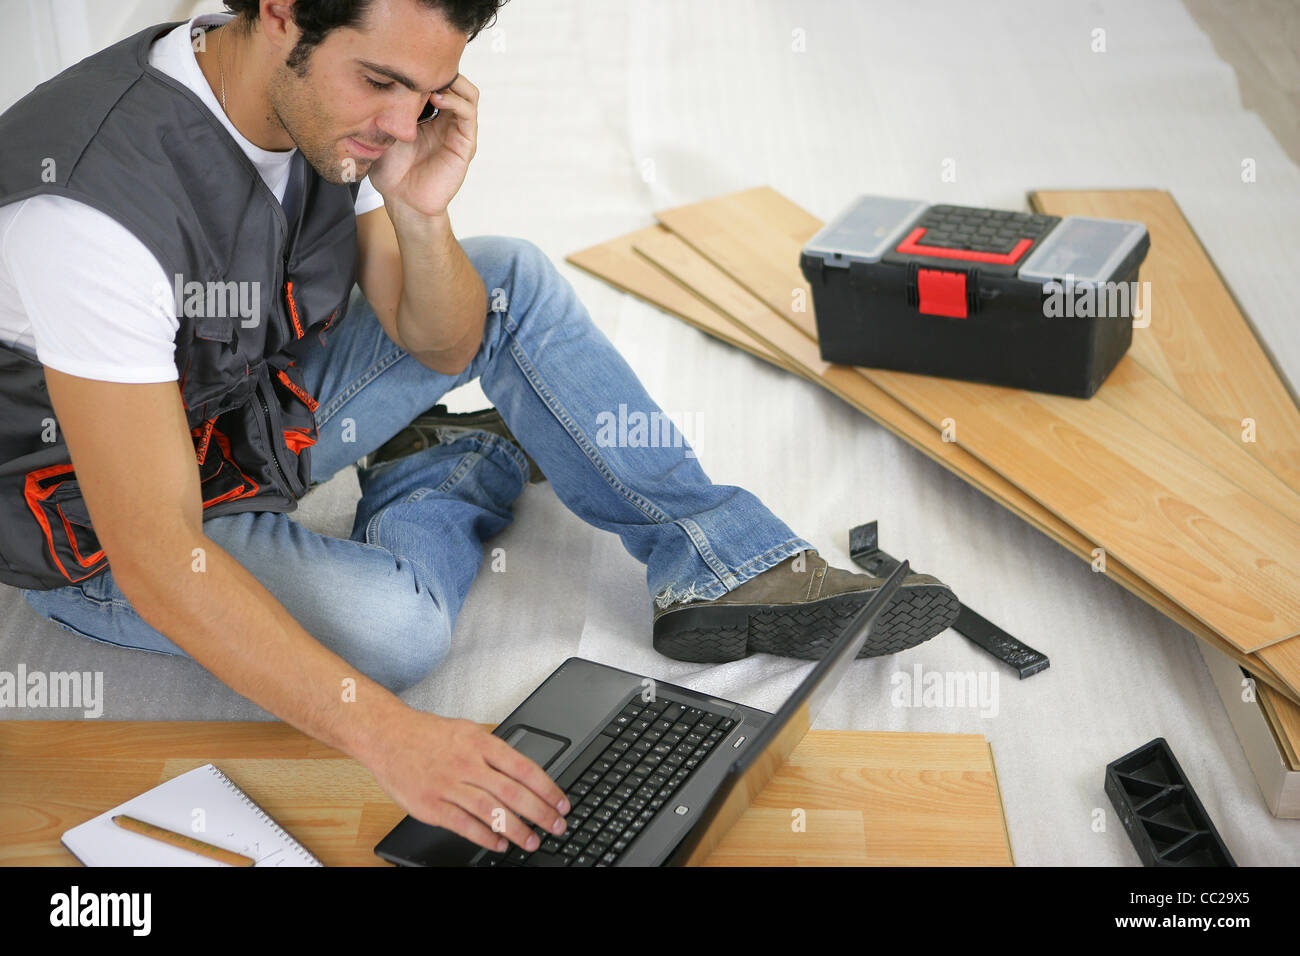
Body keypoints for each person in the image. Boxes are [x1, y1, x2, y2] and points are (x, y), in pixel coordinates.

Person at [0, 0, 958, 857]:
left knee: (509, 276)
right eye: (378, 81)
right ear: (282, 13)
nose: (396, 123)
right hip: (103, 531)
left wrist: (420, 216)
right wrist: (390, 737)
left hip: (243, 420)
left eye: (425, 92)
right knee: (397, 635)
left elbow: (445, 342)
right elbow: (159, 553)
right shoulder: (89, 209)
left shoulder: (330, 109)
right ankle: (447, 465)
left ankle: (715, 557)